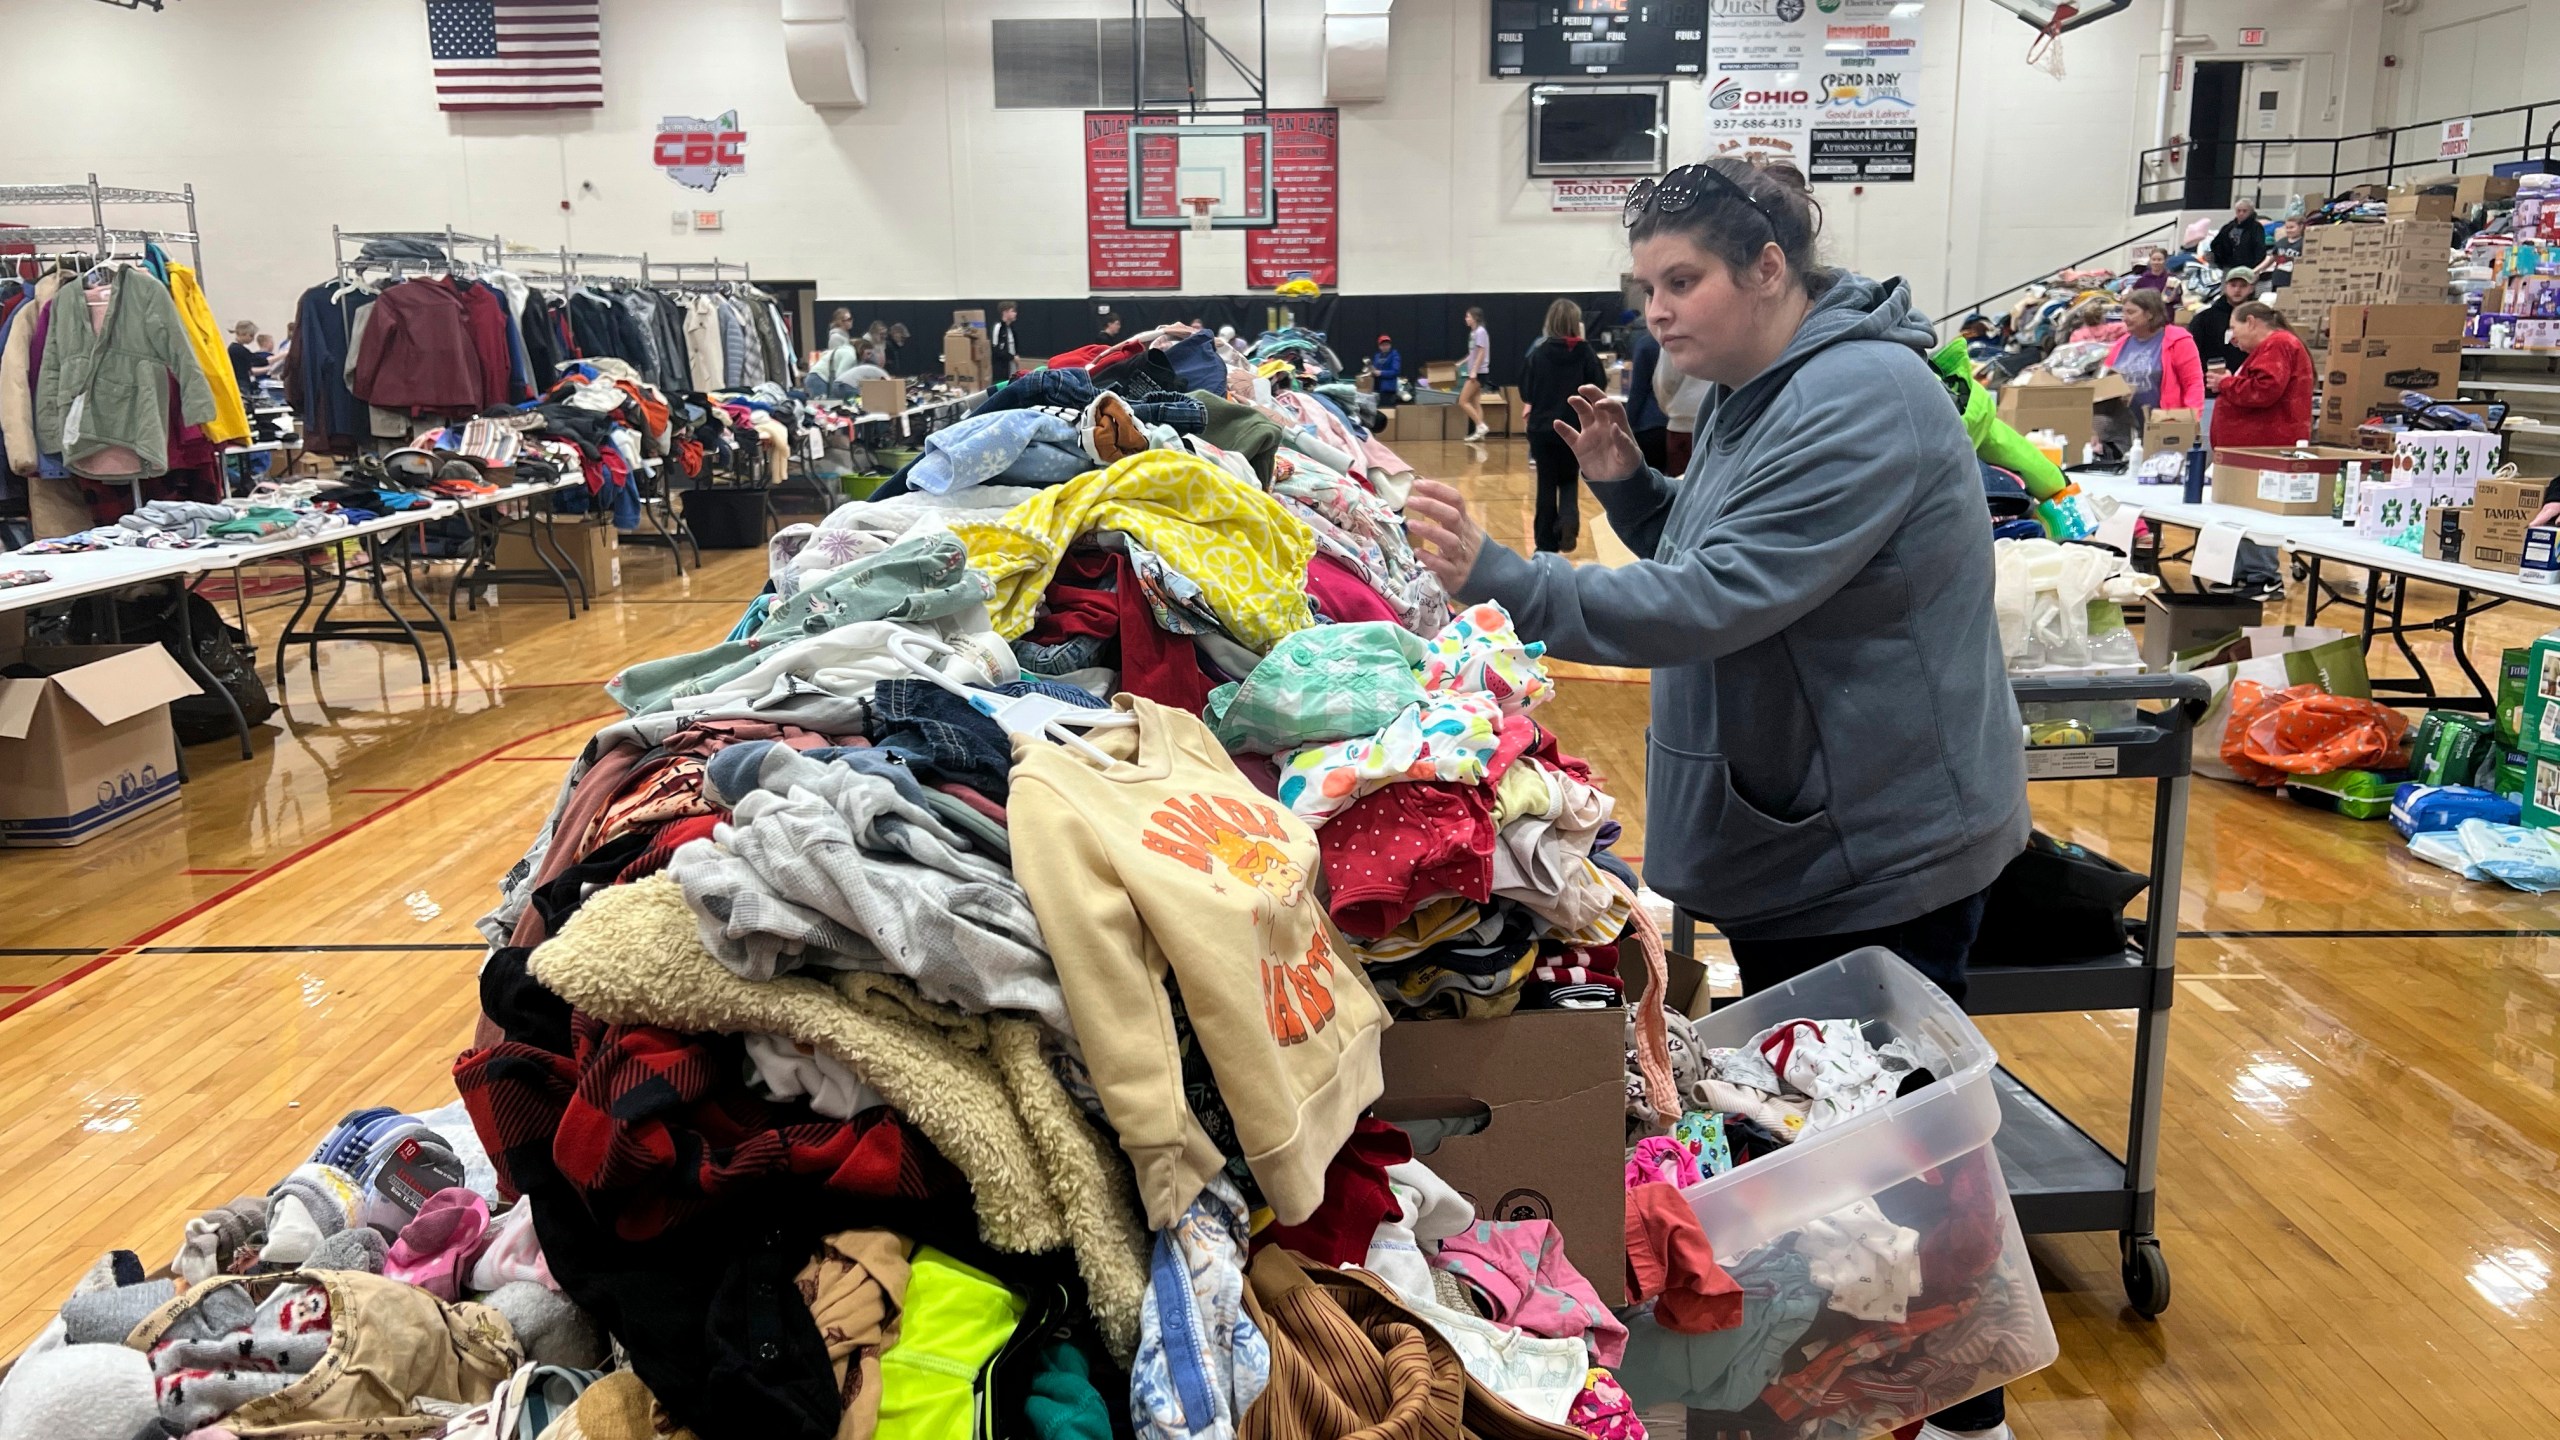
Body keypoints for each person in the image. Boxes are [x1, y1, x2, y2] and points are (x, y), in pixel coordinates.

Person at [1405, 156, 2027, 1440]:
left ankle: (1965, 1409)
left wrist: (1505, 575)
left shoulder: (1864, 397)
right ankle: (1879, 1381)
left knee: (1901, 1148)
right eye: (1644, 288)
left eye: (1680, 280)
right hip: (1808, 813)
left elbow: (1718, 596)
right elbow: (1711, 543)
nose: (1657, 313)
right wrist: (1634, 487)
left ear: (1767, 268)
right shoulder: (1762, 390)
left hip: (1876, 835)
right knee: (1830, 1127)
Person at [1517, 297, 1609, 554]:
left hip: (1543, 429)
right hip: (1574, 428)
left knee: (1546, 482)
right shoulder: (1586, 352)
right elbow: (1598, 385)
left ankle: (1545, 541)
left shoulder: (1539, 352)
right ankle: (1568, 521)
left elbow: (1526, 392)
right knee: (1569, 479)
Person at [2209, 301, 2314, 448]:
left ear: (2250, 322)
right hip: (2256, 450)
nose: (2232, 337)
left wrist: (2224, 383)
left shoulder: (2278, 344)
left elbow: (2264, 389)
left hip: (2265, 451)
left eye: (2234, 328)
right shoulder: (2274, 346)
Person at [2107, 290, 2205, 421]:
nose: (2124, 318)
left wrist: (2190, 419)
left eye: (2131, 312)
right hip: (2123, 429)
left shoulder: (2178, 340)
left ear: (2149, 314)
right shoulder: (2120, 344)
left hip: (2164, 424)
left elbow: (2193, 383)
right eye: (2123, 312)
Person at [2185, 268, 2259, 375]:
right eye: (2233, 285)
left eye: (2243, 285)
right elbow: (2192, 352)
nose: (2237, 290)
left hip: (2248, 381)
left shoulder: (2260, 319)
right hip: (2210, 381)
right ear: (2225, 287)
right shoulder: (2204, 318)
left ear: (2251, 288)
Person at [1623, 326, 1671, 472]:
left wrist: (1626, 425)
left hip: (1648, 424)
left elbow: (1638, 391)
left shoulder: (1646, 345)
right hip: (1677, 423)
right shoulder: (1685, 342)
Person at [1459, 305, 1492, 442]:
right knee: (1475, 402)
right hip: (1475, 372)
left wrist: (1473, 370)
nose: (1466, 319)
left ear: (1475, 318)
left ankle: (1480, 425)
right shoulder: (1473, 333)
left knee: (1463, 401)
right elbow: (1473, 353)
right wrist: (1461, 362)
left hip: (1478, 373)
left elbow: (1481, 352)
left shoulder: (1480, 332)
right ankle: (1480, 433)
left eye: (1468, 316)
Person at [2210, 199, 2268, 273]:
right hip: (2228, 266)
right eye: (2238, 210)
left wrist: (2255, 268)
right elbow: (2216, 243)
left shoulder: (2256, 227)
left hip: (2247, 267)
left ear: (2251, 212)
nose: (2241, 213)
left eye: (2244, 211)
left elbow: (2260, 249)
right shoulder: (2229, 226)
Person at [2259, 217, 2304, 289]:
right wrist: (2257, 270)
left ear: (2301, 227)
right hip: (2278, 279)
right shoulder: (2281, 242)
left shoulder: (2304, 243)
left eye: (2292, 227)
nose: (2289, 230)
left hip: (2294, 280)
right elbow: (2272, 258)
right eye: (2287, 228)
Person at [227, 320, 262, 400]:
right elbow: (256, 360)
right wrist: (281, 356)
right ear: (243, 334)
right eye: (251, 336)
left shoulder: (236, 348)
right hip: (240, 383)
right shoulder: (237, 349)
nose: (253, 339)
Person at [1369, 334, 1402, 409]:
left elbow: (1395, 371)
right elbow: (1375, 368)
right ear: (1379, 346)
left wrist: (1381, 373)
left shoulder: (1394, 355)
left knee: (1386, 409)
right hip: (1376, 388)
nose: (1385, 346)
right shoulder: (1377, 356)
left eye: (1387, 344)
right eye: (1383, 345)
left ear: (1390, 345)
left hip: (1388, 389)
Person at [990, 302, 1020, 383]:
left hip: (1012, 369)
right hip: (1001, 371)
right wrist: (1012, 357)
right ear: (1005, 312)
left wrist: (1016, 356)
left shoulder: (1011, 329)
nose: (1015, 313)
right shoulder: (998, 327)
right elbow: (996, 349)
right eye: (1012, 311)